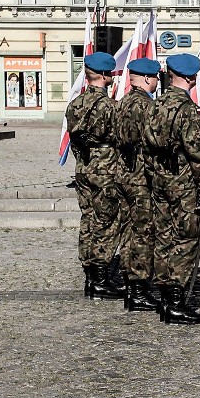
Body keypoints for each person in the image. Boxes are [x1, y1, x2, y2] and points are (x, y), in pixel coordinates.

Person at [143, 53, 200, 325]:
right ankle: (175, 303)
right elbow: (197, 153)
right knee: (185, 240)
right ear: (191, 78)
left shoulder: (156, 105)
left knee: (163, 237)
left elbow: (145, 147)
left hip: (160, 181)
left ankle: (164, 298)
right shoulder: (186, 110)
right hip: (183, 184)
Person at [65, 52, 123, 300]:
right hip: (105, 169)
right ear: (104, 75)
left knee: (88, 218)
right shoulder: (110, 107)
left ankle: (90, 275)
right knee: (106, 222)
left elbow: (74, 139)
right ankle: (100, 278)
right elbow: (122, 140)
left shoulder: (74, 104)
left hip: (83, 168)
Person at [115, 58, 160, 312]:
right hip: (141, 177)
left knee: (128, 231)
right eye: (155, 78)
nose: (156, 82)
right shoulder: (145, 105)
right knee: (143, 233)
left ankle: (130, 286)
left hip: (123, 174)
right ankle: (139, 290)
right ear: (146, 79)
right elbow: (154, 141)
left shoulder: (122, 103)